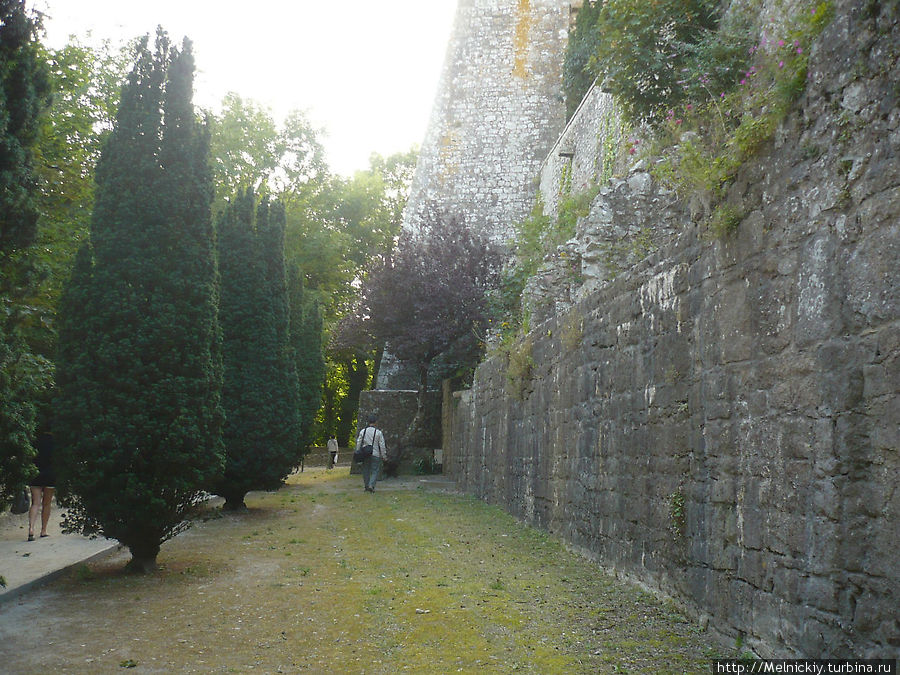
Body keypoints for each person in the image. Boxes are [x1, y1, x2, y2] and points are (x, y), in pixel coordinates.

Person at [28, 429, 56, 541]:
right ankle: (43, 530)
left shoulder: (34, 440)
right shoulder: (55, 442)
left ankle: (31, 529)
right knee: (47, 504)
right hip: (50, 474)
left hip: (35, 473)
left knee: (35, 503)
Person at [356, 414, 387, 492]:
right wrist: (383, 455)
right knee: (375, 470)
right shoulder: (378, 432)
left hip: (365, 453)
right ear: (376, 422)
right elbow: (382, 445)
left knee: (365, 470)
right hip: (375, 453)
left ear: (368, 422)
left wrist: (358, 451)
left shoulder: (363, 431)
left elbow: (359, 442)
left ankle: (366, 486)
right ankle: (371, 485)